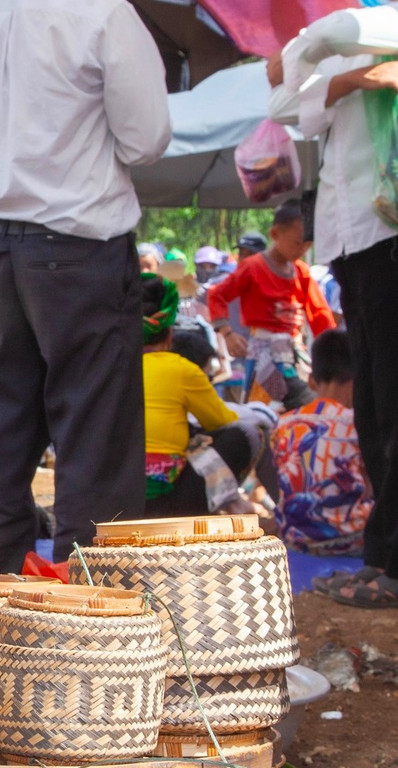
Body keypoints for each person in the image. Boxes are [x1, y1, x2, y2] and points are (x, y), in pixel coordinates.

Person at [0, 0, 170, 570]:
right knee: (96, 439)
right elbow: (147, 139)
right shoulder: (101, 12)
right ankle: (90, 617)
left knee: (3, 432)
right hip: (78, 244)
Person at [271, 8, 398, 605]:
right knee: (373, 407)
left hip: (385, 234)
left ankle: (390, 560)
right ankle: (383, 557)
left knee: (390, 404)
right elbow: (282, 103)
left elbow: (324, 38)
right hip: (353, 241)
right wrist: (353, 80)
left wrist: (309, 56)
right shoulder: (356, 44)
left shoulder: (375, 24)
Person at [140, 275, 257, 517]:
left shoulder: (109, 369)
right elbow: (222, 421)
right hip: (165, 498)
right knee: (241, 435)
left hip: (113, 493)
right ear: (170, 333)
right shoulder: (181, 368)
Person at [207, 200, 336, 410]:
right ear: (275, 234)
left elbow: (320, 314)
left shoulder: (301, 271)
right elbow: (217, 295)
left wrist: (330, 351)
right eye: (297, 243)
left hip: (295, 351)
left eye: (307, 245)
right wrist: (227, 333)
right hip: (264, 353)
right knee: (270, 409)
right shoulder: (252, 267)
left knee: (299, 407)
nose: (302, 249)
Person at [272, 329, 372, 557]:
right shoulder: (356, 423)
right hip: (351, 537)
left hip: (293, 537)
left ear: (311, 379)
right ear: (360, 376)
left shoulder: (283, 424)